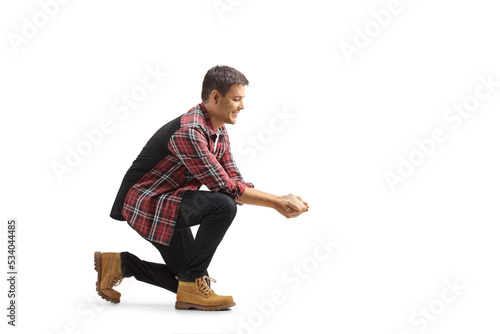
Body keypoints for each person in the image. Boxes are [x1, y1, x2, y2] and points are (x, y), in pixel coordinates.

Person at [94, 65, 309, 311]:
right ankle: (190, 284)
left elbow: (233, 178)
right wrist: (276, 202)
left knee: (193, 280)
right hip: (146, 203)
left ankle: (121, 265)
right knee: (223, 206)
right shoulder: (190, 132)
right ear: (216, 97)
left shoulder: (217, 131)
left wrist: (280, 198)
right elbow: (225, 187)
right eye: (237, 99)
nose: (242, 106)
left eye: (243, 99)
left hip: (171, 201)